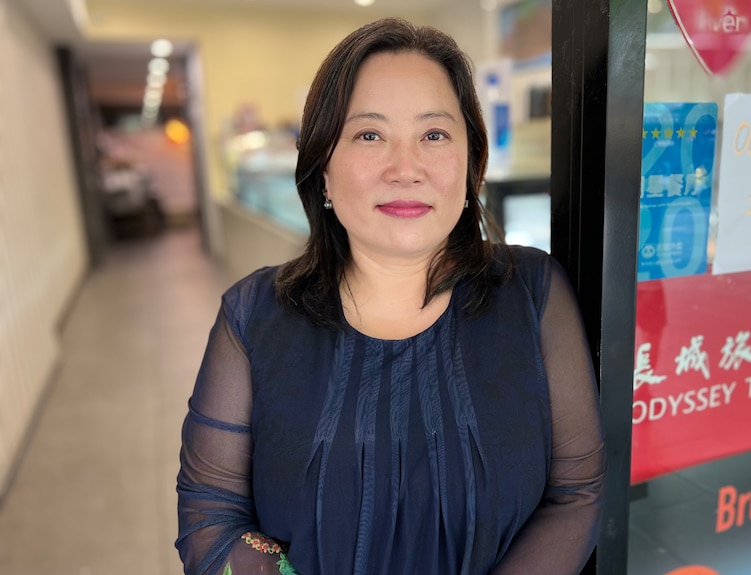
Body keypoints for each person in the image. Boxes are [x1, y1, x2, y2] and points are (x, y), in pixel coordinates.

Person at [176, 17, 605, 575]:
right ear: (322, 169)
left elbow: (576, 493)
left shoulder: (534, 292)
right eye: (370, 135)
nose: (406, 169)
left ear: (473, 164)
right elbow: (211, 515)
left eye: (433, 134)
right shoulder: (252, 314)